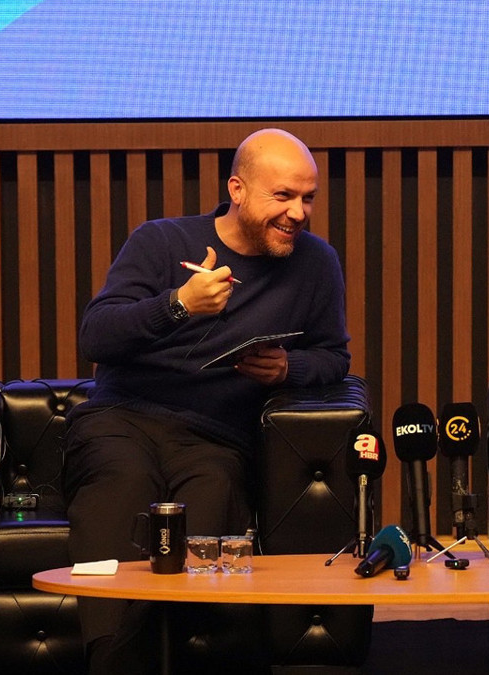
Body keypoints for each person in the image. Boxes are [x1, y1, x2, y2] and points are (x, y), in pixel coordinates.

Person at [63, 128, 350, 674]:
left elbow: (334, 356)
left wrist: (289, 368)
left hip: (217, 438)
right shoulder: (161, 241)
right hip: (122, 418)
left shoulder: (316, 263)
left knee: (209, 511)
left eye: (308, 198)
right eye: (283, 196)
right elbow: (96, 337)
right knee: (122, 485)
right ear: (237, 190)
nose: (298, 213)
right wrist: (178, 305)